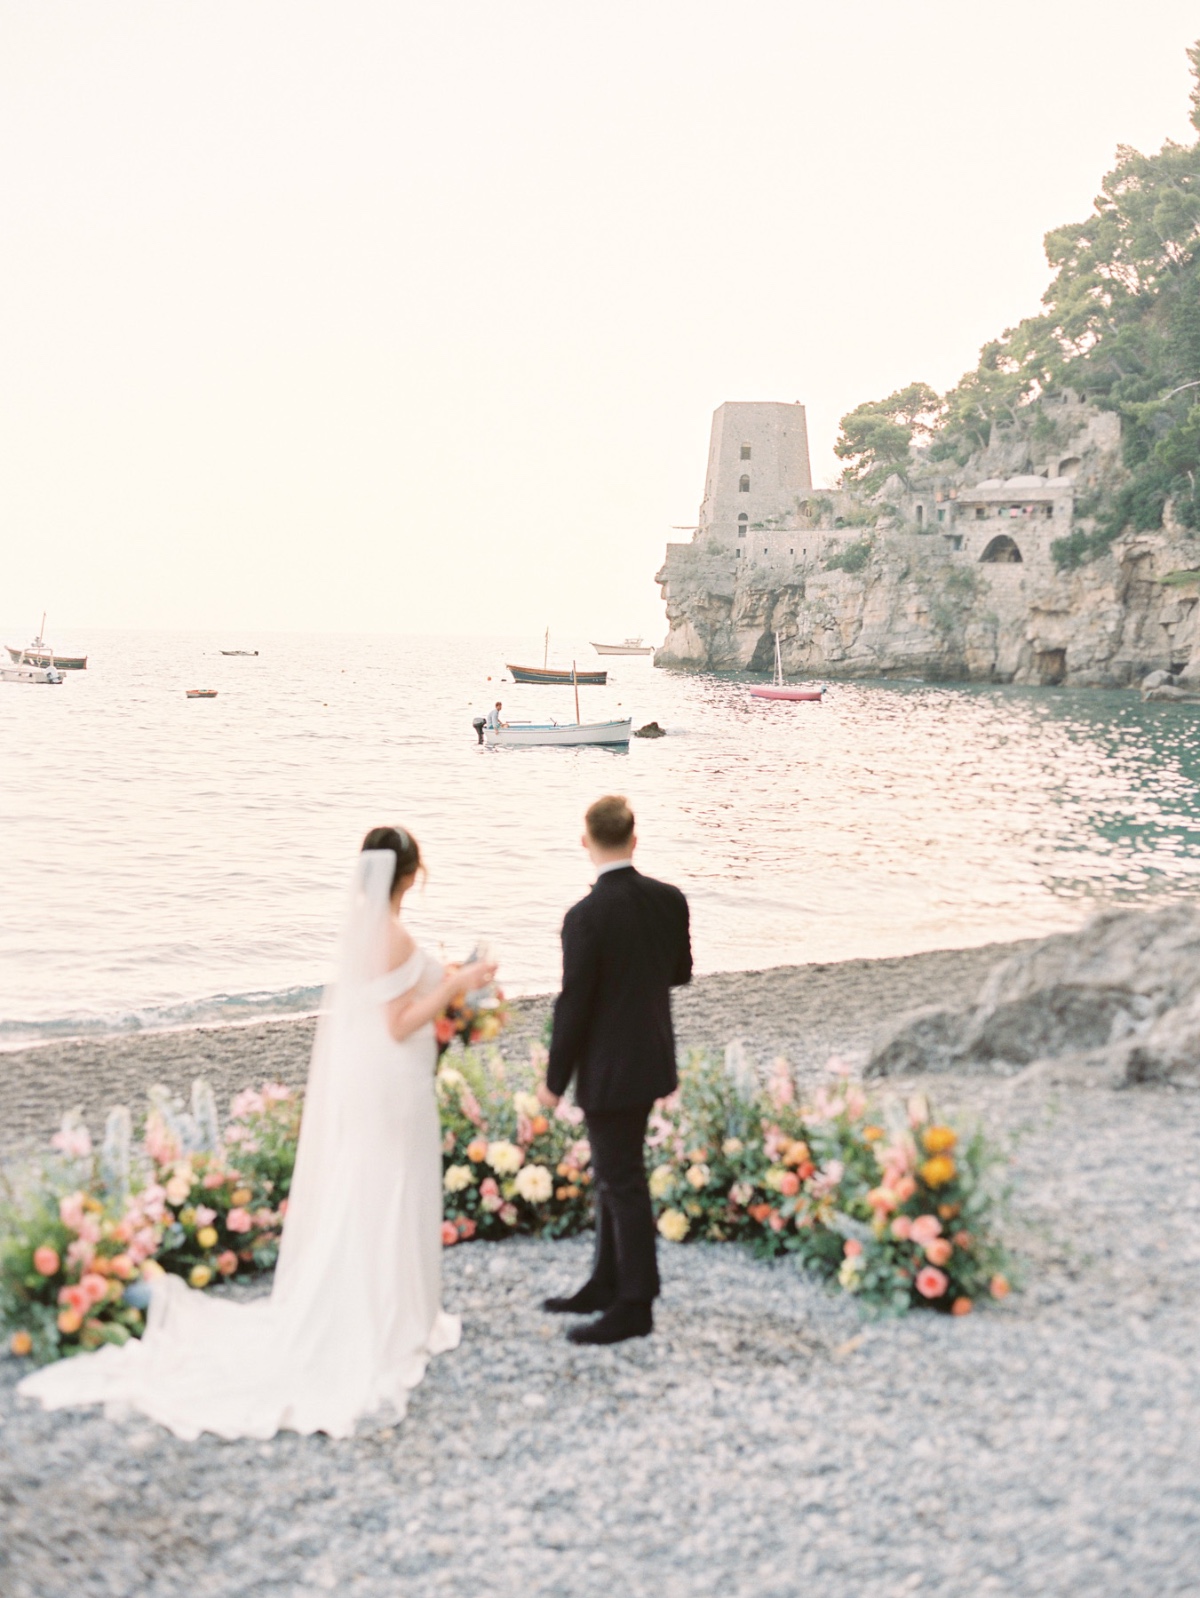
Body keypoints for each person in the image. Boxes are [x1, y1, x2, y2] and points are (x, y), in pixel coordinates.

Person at [18, 828, 495, 1440]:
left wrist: (445, 980)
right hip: (392, 1077)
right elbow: (400, 1021)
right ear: (411, 875)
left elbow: (392, 1000)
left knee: (369, 1182)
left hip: (372, 1075)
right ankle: (392, 1316)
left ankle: (376, 1302)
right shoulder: (394, 934)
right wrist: (458, 985)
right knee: (392, 1182)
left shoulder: (366, 931)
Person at [537, 795, 692, 1345]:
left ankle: (635, 1305)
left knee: (622, 1181)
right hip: (650, 1055)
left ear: (586, 841)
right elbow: (681, 972)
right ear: (634, 837)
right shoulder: (669, 899)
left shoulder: (584, 917)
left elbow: (573, 1005)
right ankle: (604, 1282)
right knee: (614, 1174)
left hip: (609, 1066)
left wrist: (553, 1083)